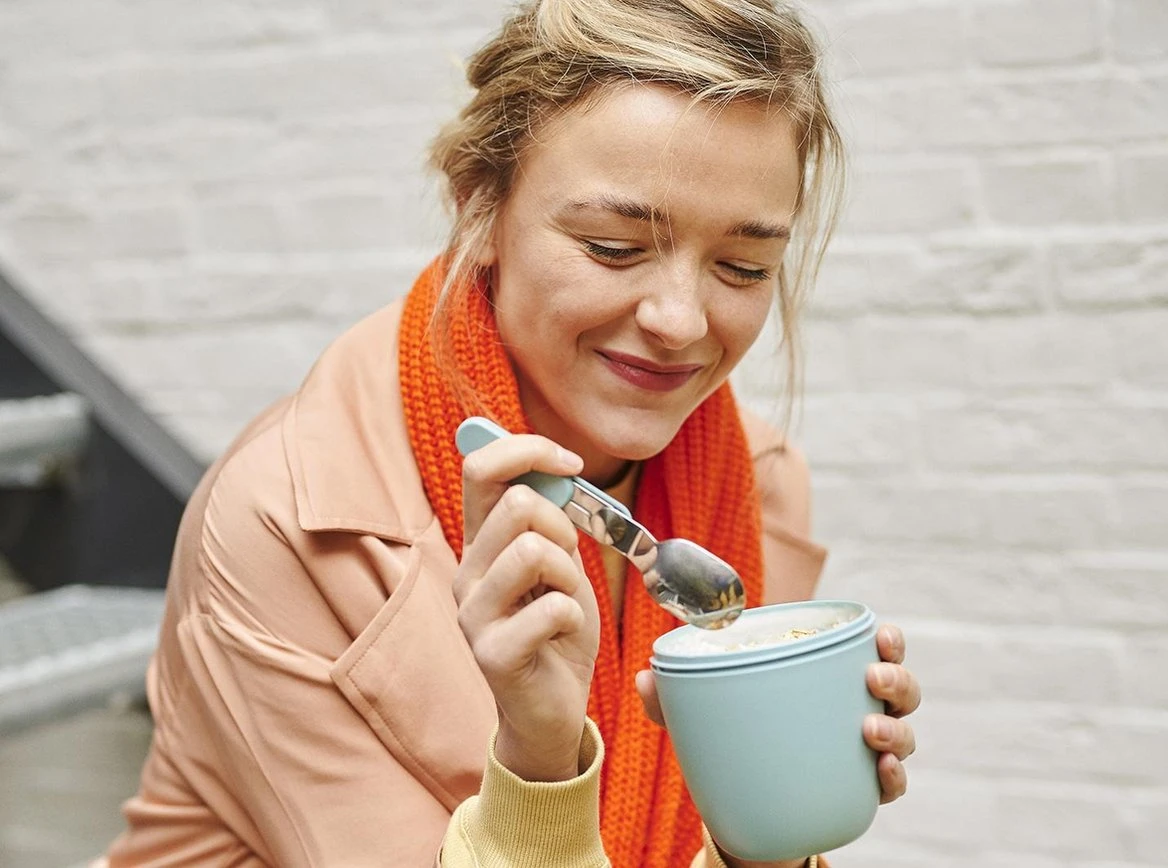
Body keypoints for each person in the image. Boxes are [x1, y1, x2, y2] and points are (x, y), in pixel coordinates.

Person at [99, 0, 920, 866]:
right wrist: (539, 760)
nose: (680, 321)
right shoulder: (284, 520)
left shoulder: (754, 485)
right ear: (478, 211)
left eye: (743, 267)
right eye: (613, 247)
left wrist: (775, 820)